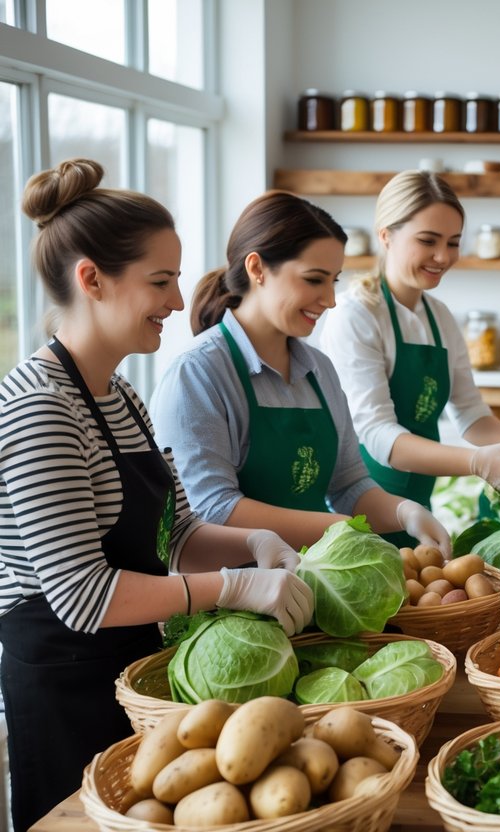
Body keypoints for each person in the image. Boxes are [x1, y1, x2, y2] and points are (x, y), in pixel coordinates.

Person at [0, 159, 314, 830]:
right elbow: (83, 597)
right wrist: (230, 588)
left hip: (129, 671)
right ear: (91, 279)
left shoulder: (121, 395)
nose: (178, 302)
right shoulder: (40, 409)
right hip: (65, 682)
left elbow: (178, 535)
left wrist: (255, 543)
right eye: (160, 281)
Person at [150, 191, 449, 555]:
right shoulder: (198, 373)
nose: (330, 299)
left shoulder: (318, 369)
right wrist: (342, 528)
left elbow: (348, 484)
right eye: (313, 280)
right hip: (231, 595)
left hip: (310, 583)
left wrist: (404, 512)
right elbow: (213, 509)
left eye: (334, 281)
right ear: (257, 268)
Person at [319, 171, 500, 545]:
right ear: (386, 235)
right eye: (427, 240)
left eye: (453, 242)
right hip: (362, 511)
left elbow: (473, 416)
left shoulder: (440, 316)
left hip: (418, 508)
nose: (443, 257)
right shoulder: (356, 313)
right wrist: (478, 463)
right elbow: (380, 437)